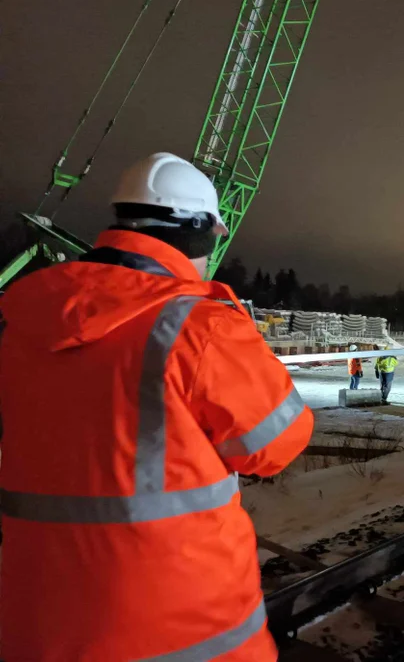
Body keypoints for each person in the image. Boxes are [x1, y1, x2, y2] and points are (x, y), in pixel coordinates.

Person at [0, 152, 313, 660]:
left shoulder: (26, 323)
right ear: (197, 233)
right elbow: (277, 446)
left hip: (40, 625)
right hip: (183, 628)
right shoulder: (198, 327)